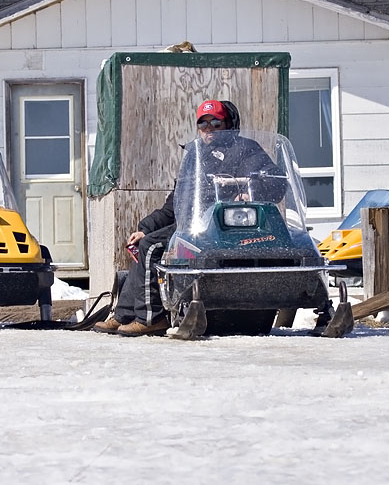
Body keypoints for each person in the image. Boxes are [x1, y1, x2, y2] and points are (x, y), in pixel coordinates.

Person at [94, 99, 287, 336]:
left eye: (215, 123)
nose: (209, 129)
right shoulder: (194, 156)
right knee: (144, 241)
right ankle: (124, 314)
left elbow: (275, 182)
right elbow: (174, 204)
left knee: (151, 247)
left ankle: (151, 318)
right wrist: (145, 227)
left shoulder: (244, 149)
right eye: (203, 124)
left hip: (222, 228)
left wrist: (251, 190)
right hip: (190, 226)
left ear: (229, 124)